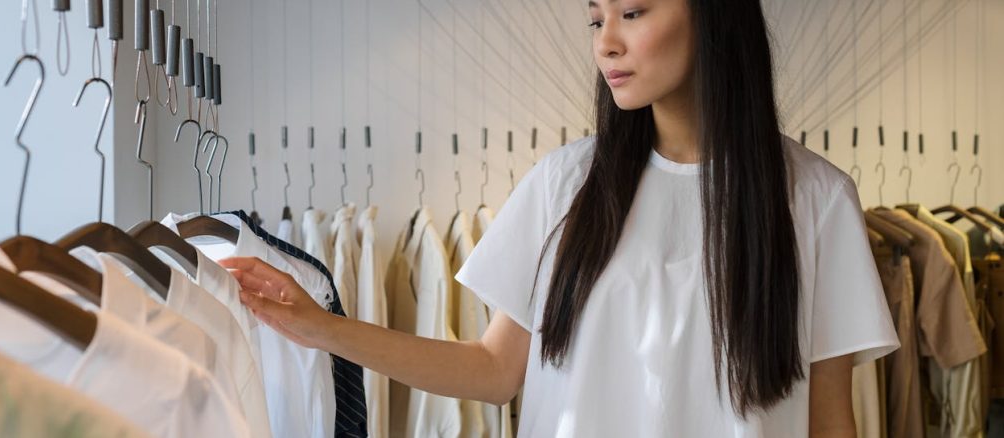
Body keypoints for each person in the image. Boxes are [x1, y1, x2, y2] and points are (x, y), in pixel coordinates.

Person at [221, 0, 900, 436]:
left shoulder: (814, 199)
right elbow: (493, 369)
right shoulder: (565, 183)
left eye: (632, 13)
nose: (606, 43)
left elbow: (828, 420)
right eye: (595, 17)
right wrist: (318, 328)